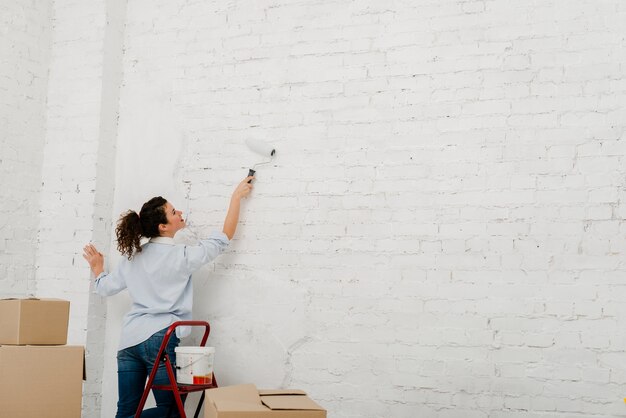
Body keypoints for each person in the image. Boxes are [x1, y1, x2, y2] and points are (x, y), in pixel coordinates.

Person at [82, 176, 253, 418]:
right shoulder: (182, 256)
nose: (179, 212)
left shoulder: (133, 257)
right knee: (171, 411)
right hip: (160, 339)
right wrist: (236, 197)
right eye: (173, 211)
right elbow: (224, 237)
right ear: (163, 226)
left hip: (129, 341)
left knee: (126, 408)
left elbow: (105, 288)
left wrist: (98, 268)